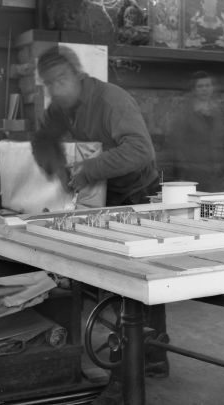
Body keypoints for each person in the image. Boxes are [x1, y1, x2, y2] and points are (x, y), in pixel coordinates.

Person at [30, 45, 167, 405]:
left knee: (134, 283)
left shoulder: (111, 100)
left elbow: (141, 151)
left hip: (136, 194)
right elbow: (43, 140)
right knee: (118, 284)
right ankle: (152, 356)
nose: (55, 90)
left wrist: (88, 169)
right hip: (102, 200)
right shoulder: (61, 107)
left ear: (78, 74)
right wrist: (55, 166)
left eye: (60, 80)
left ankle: (131, 373)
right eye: (49, 84)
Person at [169, 71, 224, 192]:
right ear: (194, 90)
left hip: (217, 171)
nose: (204, 89)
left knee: (215, 206)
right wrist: (185, 168)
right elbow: (176, 142)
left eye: (207, 85)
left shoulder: (218, 112)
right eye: (200, 86)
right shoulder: (185, 113)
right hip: (194, 171)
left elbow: (222, 140)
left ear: (212, 88)